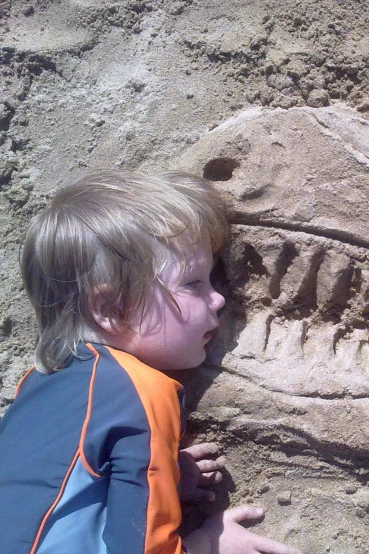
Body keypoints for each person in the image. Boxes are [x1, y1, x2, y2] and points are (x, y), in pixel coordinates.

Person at [0, 171, 301, 554]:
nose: (219, 298)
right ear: (109, 308)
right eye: (193, 283)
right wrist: (209, 542)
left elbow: (51, 493)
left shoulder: (37, 381)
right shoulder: (142, 390)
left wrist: (160, 477)